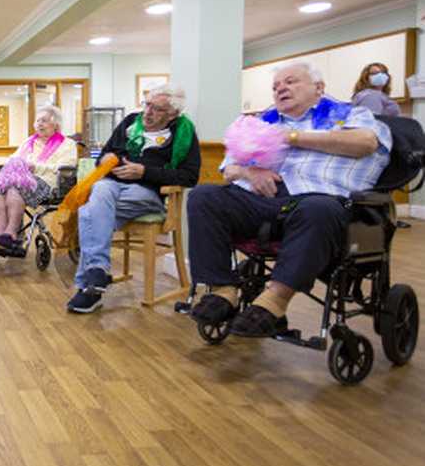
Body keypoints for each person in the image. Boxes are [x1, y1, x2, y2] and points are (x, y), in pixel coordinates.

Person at [187, 61, 391, 337]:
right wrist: (250, 170)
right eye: (275, 86)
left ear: (318, 87)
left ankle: (274, 302)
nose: (280, 88)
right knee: (204, 196)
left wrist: (291, 137)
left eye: (291, 81)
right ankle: (223, 291)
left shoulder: (352, 114)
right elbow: (229, 168)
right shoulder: (261, 121)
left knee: (317, 208)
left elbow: (365, 143)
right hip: (264, 200)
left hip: (322, 200)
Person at [66, 85, 201, 313]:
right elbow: (106, 155)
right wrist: (107, 159)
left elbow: (189, 176)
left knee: (89, 211)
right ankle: (97, 272)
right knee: (99, 192)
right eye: (147, 105)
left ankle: (89, 285)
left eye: (157, 109)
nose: (147, 113)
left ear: (172, 115)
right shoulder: (130, 121)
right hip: (112, 185)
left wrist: (144, 172)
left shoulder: (183, 133)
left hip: (147, 192)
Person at [0, 105, 78, 253]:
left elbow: (67, 166)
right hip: (22, 180)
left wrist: (36, 167)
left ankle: (10, 234)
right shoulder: (29, 142)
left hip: (48, 183)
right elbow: (13, 158)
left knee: (15, 188)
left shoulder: (67, 144)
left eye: (44, 121)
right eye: (37, 121)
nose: (39, 124)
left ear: (56, 125)